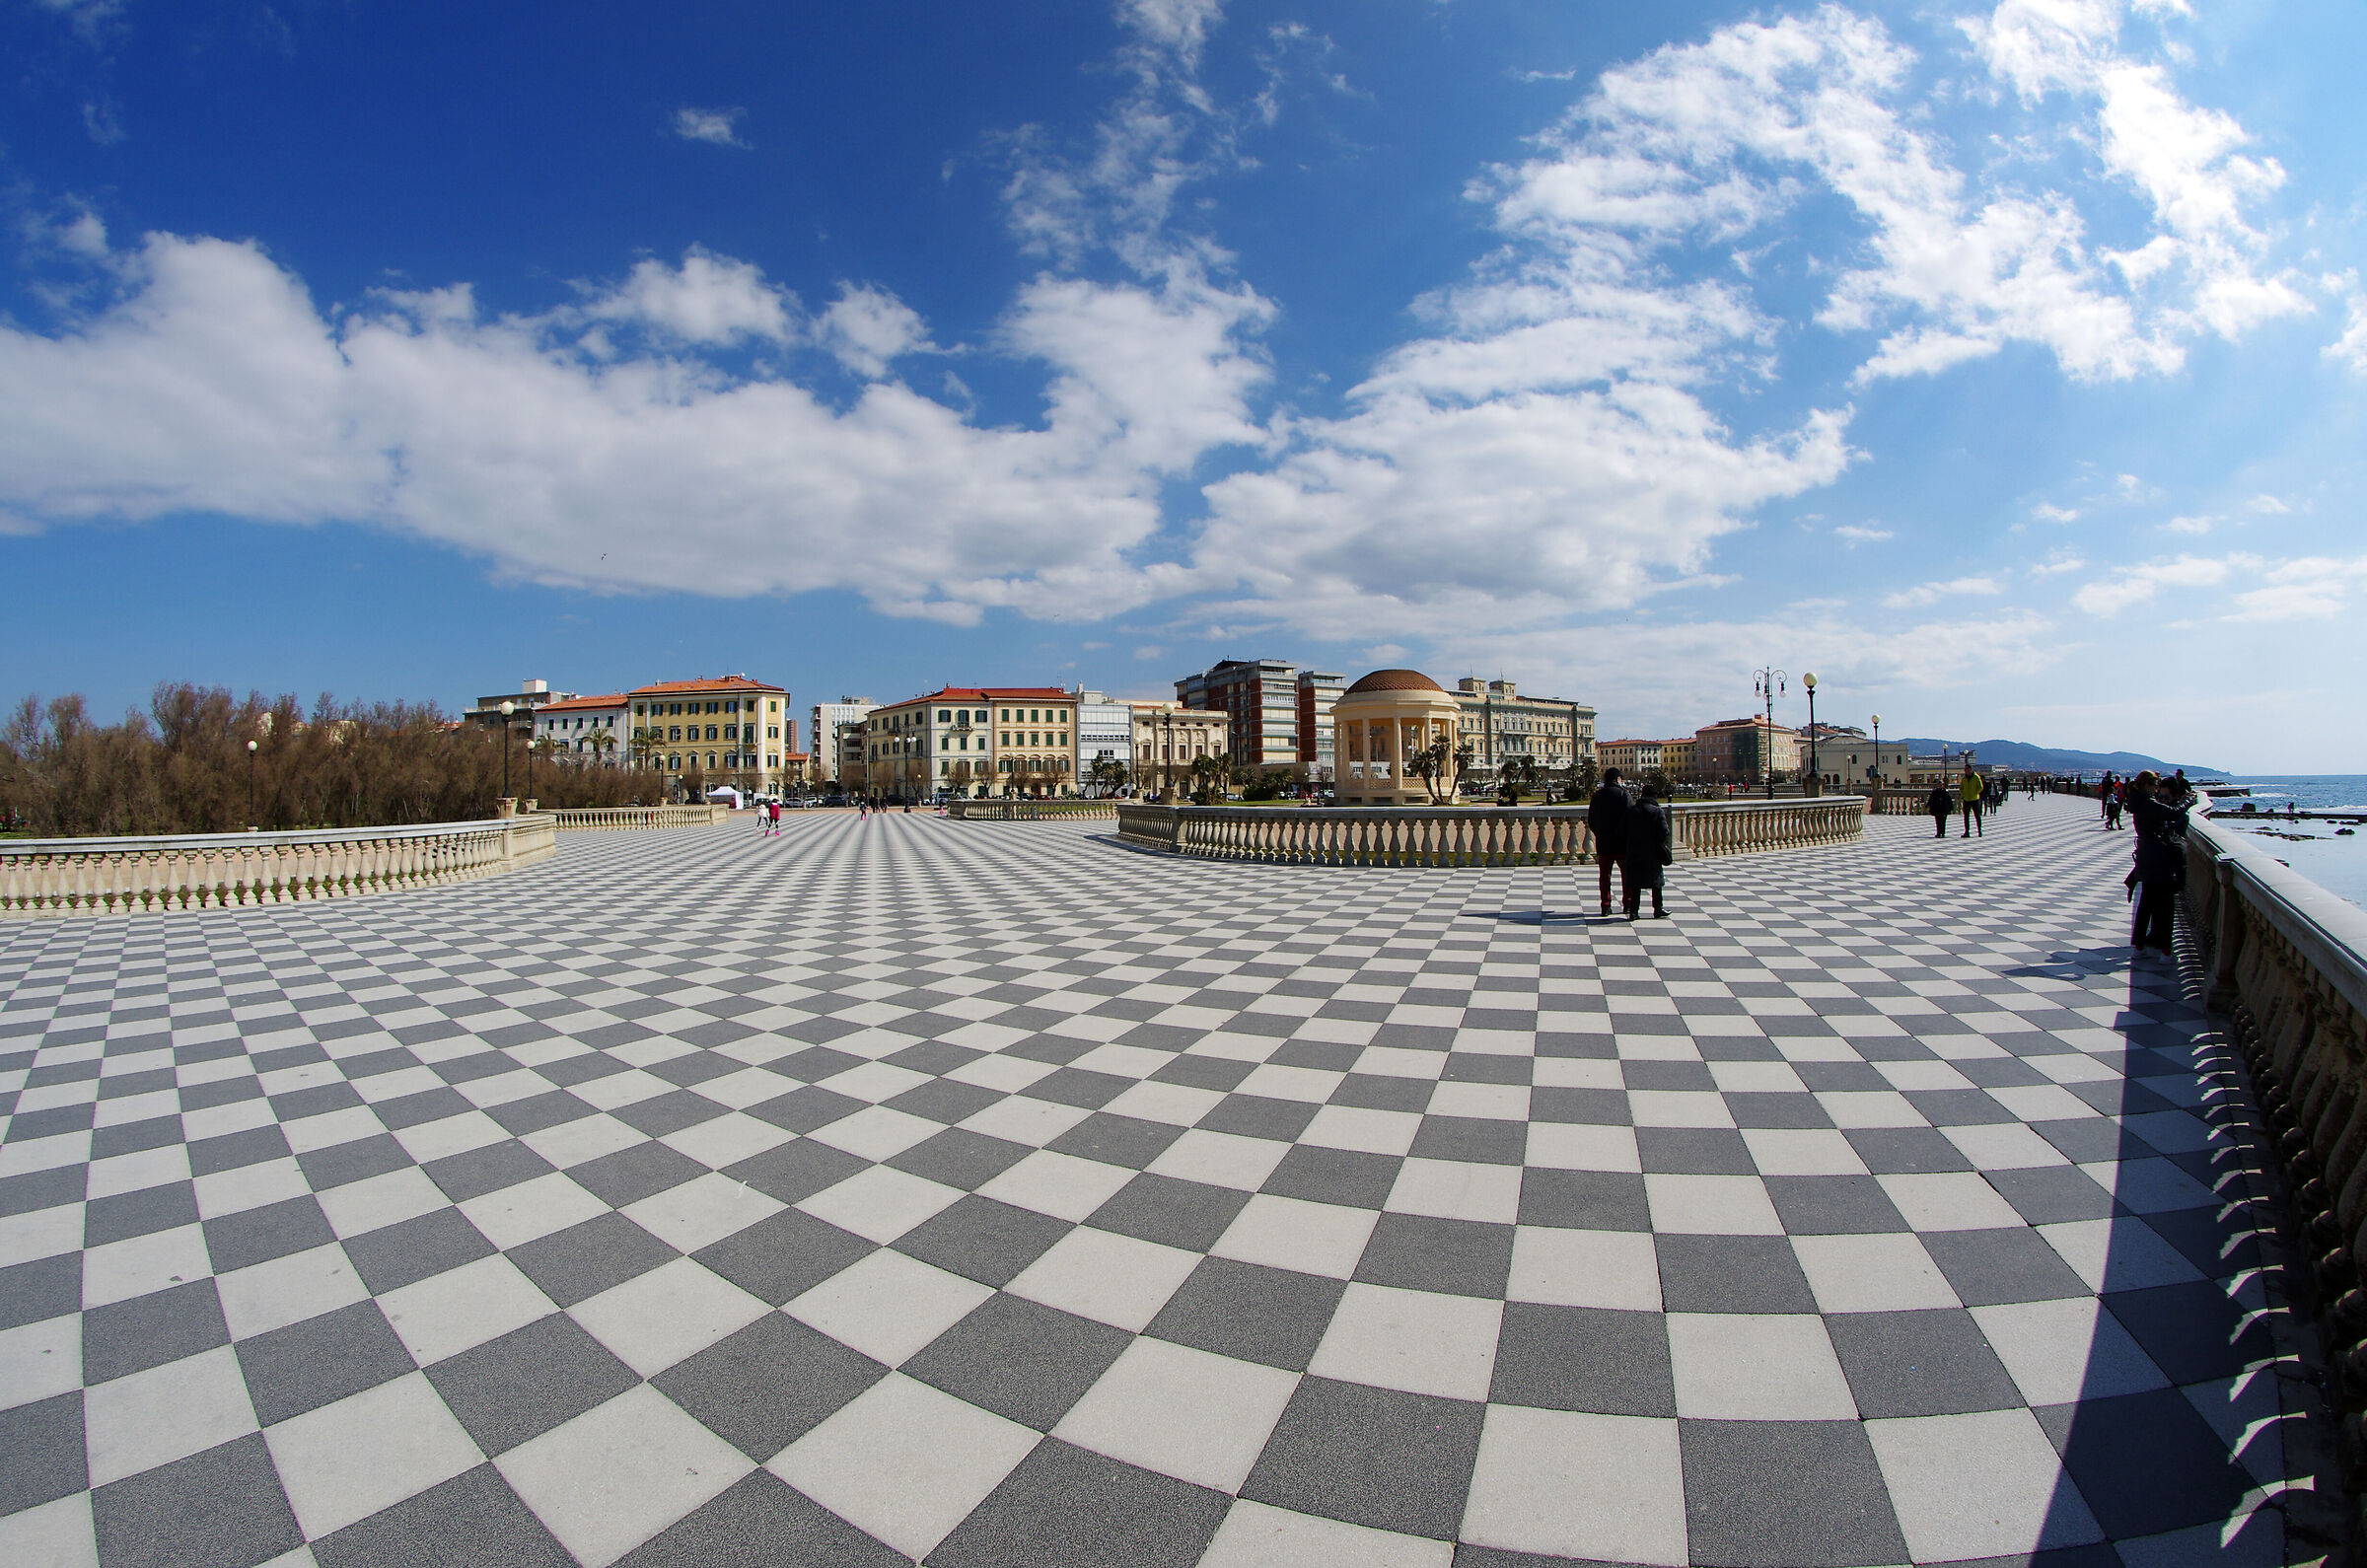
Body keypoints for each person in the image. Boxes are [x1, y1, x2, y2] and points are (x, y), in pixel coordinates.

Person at [2124, 770, 2188, 959]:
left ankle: (2139, 946)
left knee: (2146, 903)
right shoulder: (2148, 803)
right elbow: (2175, 813)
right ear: (2148, 785)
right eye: (2155, 786)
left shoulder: (2136, 801)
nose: (2156, 790)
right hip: (2159, 859)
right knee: (2166, 905)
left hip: (2145, 857)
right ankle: (2165, 950)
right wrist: (2189, 801)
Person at [1620, 781, 1674, 919]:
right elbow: (1664, 832)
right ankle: (1657, 908)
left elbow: (1624, 831)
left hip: (1634, 850)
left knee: (1635, 882)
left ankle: (1634, 911)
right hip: (1653, 851)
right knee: (1656, 881)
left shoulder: (1631, 811)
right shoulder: (1657, 811)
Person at [1588, 767, 1630, 916]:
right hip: (1621, 843)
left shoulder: (1597, 796)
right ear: (1618, 779)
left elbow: (1591, 820)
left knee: (1605, 876)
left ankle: (1605, 906)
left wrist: (1599, 833)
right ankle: (1628, 903)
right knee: (1626, 874)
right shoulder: (1624, 795)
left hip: (1604, 841)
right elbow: (1629, 818)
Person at [1959, 768, 1984, 837]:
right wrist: (1963, 793)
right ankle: (1967, 831)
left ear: (1970, 770)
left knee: (1977, 815)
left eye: (1967, 770)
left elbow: (1981, 787)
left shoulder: (1976, 777)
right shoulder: (1964, 778)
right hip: (1966, 799)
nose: (1966, 771)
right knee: (1966, 816)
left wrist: (1976, 792)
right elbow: (1961, 787)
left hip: (1974, 799)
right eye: (1965, 770)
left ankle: (1979, 830)